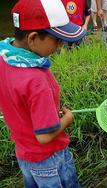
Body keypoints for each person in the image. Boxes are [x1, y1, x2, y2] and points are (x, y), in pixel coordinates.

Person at [0, 0, 87, 187]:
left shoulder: (3, 58)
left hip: (25, 156)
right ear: (32, 39)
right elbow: (44, 136)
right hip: (50, 159)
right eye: (57, 40)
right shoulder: (37, 81)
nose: (61, 45)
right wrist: (67, 119)